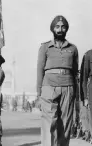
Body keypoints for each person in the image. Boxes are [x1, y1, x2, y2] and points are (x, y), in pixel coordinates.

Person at [36, 15, 79, 146]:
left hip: (68, 87)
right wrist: (39, 94)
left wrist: (76, 96)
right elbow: (39, 70)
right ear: (52, 29)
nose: (60, 29)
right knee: (49, 124)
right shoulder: (45, 48)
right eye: (57, 27)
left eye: (63, 27)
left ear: (66, 29)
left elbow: (75, 72)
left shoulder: (73, 49)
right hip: (49, 87)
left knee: (65, 124)